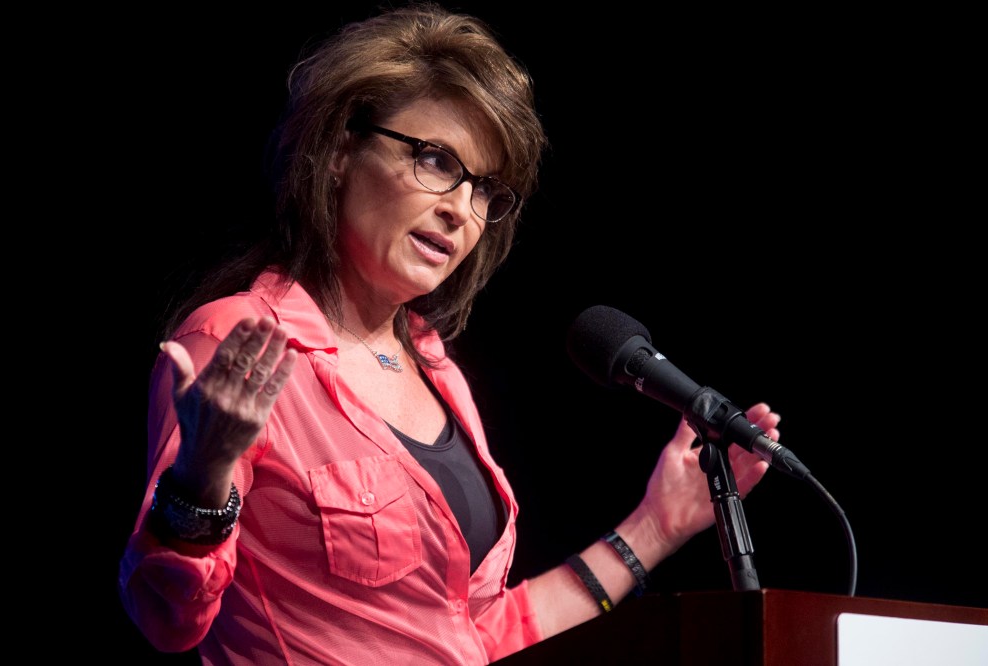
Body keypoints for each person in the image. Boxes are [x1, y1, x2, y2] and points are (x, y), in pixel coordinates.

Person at [120, 3, 780, 663]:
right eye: (436, 161)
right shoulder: (239, 340)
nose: (460, 210)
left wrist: (656, 527)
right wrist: (201, 476)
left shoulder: (437, 372)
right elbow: (167, 618)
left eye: (485, 191)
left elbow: (481, 637)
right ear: (340, 150)